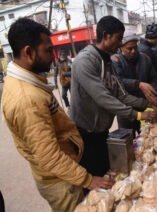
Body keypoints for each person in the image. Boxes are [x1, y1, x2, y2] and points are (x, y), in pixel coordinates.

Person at [2, 18, 114, 212]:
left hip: (66, 170)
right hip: (60, 181)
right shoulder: (27, 99)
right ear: (28, 52)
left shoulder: (31, 83)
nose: (52, 57)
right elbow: (48, 155)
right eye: (47, 50)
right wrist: (88, 180)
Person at [70, 16, 157, 177]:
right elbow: (104, 98)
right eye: (118, 39)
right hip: (85, 134)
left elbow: (121, 94)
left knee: (107, 171)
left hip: (102, 131)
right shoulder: (85, 61)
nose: (120, 43)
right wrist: (138, 115)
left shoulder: (108, 62)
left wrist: (147, 103)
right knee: (94, 177)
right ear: (106, 36)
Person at [112, 31, 157, 135]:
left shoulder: (145, 58)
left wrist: (152, 91)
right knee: (128, 138)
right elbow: (119, 82)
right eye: (129, 49)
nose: (133, 51)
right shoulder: (116, 61)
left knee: (146, 136)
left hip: (144, 106)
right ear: (121, 48)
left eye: (135, 47)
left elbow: (153, 77)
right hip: (126, 110)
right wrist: (138, 84)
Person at [138, 23, 157, 99]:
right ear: (155, 38)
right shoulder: (146, 50)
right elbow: (148, 74)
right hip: (151, 91)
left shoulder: (146, 47)